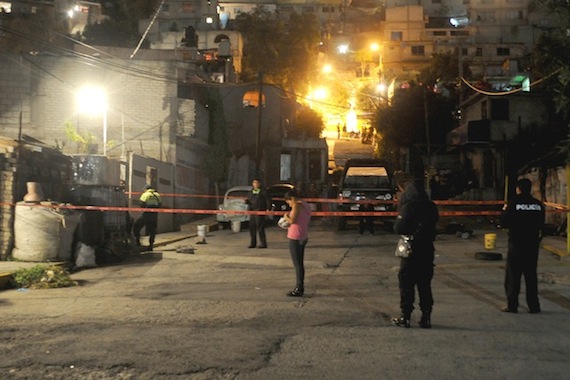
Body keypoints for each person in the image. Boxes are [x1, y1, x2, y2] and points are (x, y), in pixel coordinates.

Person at [391, 173, 439, 328]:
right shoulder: (431, 206)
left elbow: (399, 228)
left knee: (407, 284)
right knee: (425, 285)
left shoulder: (408, 207)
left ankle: (405, 316)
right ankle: (426, 317)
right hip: (427, 250)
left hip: (411, 250)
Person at [498, 178, 545, 314]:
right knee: (531, 276)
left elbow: (504, 222)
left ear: (518, 189)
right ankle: (534, 306)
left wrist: (504, 211)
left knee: (513, 276)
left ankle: (512, 305)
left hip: (517, 244)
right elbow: (541, 224)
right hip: (532, 245)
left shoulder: (513, 204)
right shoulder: (538, 205)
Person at [283, 189, 311, 297]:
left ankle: (299, 288)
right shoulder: (305, 204)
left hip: (295, 236)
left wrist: (286, 217)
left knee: (297, 264)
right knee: (300, 263)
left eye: (289, 202)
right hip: (303, 235)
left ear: (292, 199)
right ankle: (300, 286)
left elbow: (292, 220)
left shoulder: (297, 205)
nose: (289, 205)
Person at [133, 184, 162, 251]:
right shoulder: (157, 195)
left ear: (146, 189)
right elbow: (160, 205)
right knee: (152, 231)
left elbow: (141, 204)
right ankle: (151, 246)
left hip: (146, 215)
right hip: (154, 216)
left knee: (136, 227)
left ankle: (138, 242)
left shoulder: (145, 194)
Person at [246, 179, 271, 249]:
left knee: (260, 227)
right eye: (254, 182)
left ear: (259, 183)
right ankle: (253, 243)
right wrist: (247, 202)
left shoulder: (263, 191)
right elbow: (249, 199)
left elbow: (268, 200)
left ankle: (263, 243)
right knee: (252, 228)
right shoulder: (251, 191)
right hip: (252, 211)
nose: (255, 184)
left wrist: (268, 208)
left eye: (256, 182)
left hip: (260, 210)